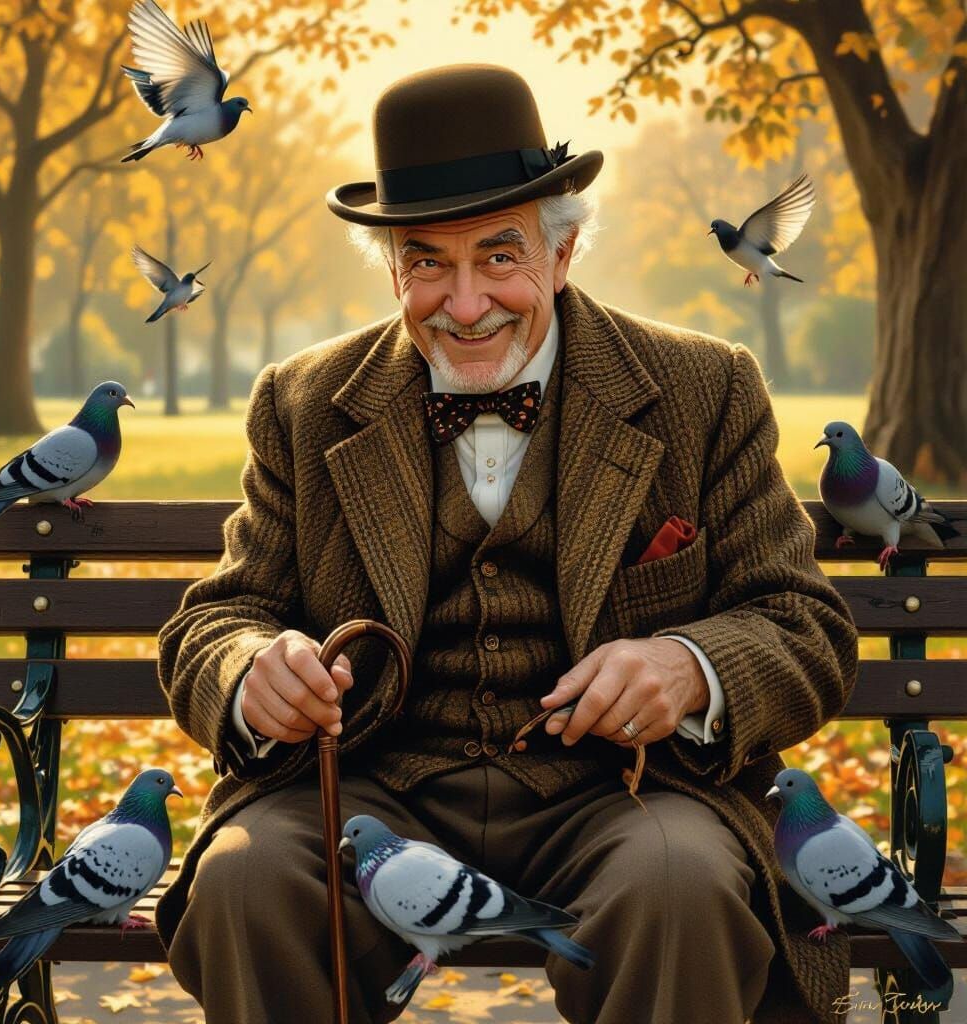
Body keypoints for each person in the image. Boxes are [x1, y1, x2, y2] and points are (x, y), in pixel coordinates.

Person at [156, 63, 859, 1024]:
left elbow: (805, 625)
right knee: (243, 882)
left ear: (562, 254)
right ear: (395, 268)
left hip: (626, 793)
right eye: (428, 265)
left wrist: (692, 668)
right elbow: (222, 616)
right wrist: (247, 670)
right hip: (368, 786)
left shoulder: (708, 387)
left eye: (498, 257)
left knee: (682, 888)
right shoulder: (303, 401)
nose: (466, 301)